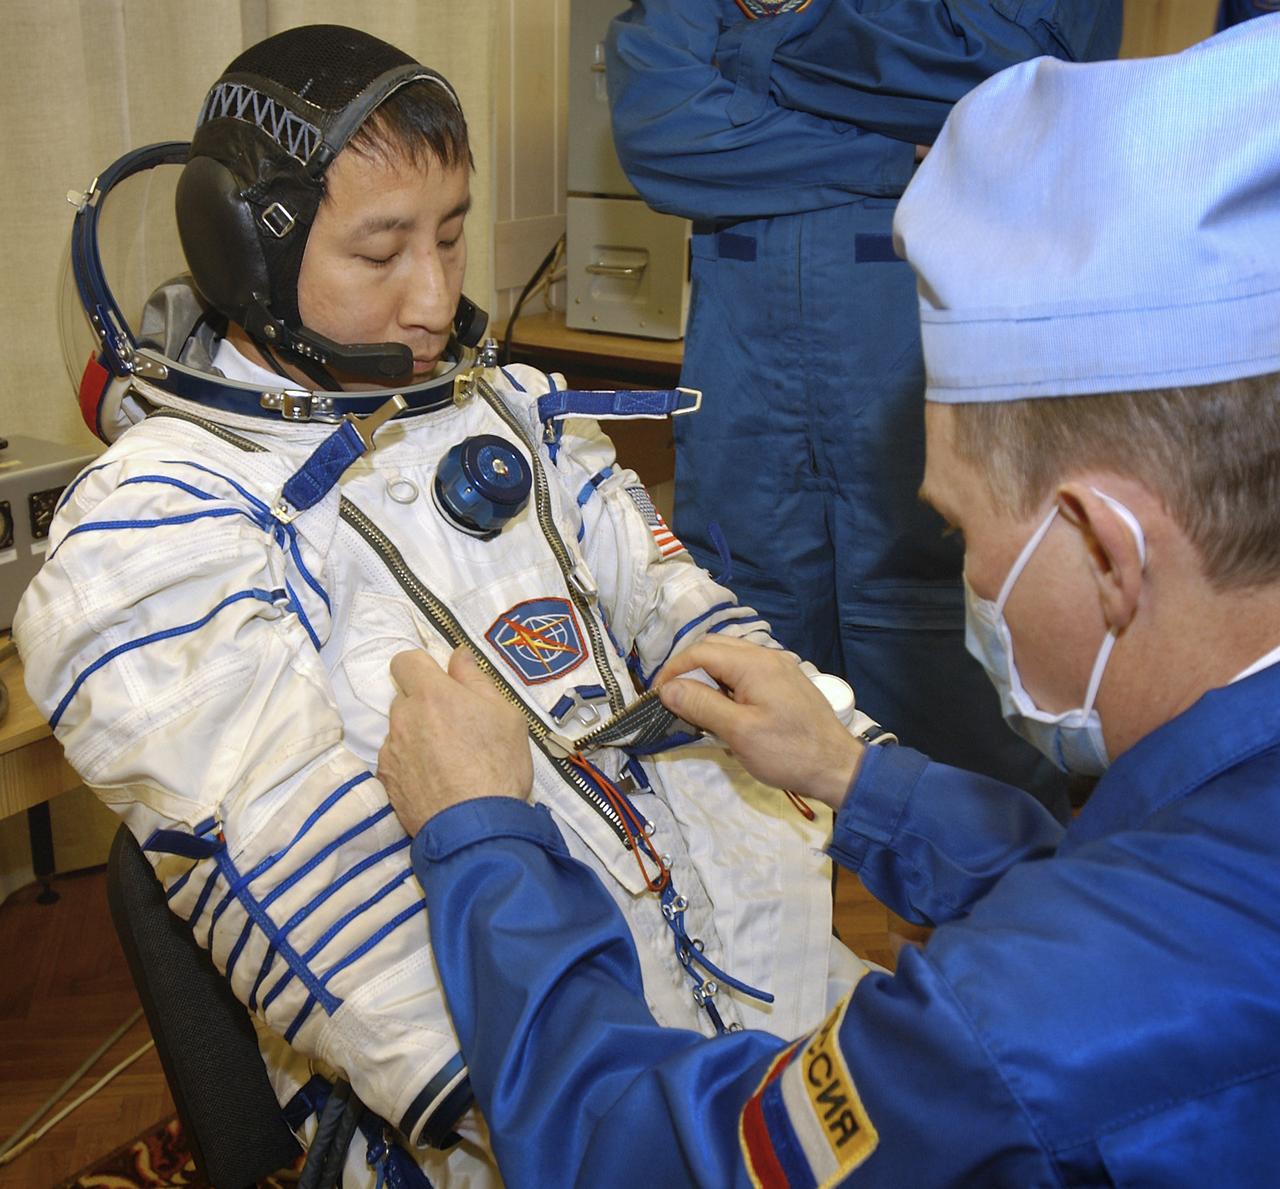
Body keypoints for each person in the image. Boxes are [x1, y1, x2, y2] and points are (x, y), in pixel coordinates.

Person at [377, 16, 1280, 1186]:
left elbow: (631, 1154)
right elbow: (1138, 898)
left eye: (959, 529)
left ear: (1105, 548)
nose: (961, 575)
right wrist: (855, 778)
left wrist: (480, 835)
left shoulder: (1003, 1034)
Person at [16, 24, 885, 1186]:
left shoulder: (510, 406)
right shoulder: (154, 529)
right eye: (381, 251)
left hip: (742, 980)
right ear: (248, 252)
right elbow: (346, 931)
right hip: (502, 1099)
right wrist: (626, 1119)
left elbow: (679, 602)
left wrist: (853, 765)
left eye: (451, 232)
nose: (434, 297)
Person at [606, 0, 1123, 818]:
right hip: (751, 416)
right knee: (750, 754)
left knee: (970, 767)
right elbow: (660, 125)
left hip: (932, 413)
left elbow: (1018, 81)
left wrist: (751, 53)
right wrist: (897, 149)